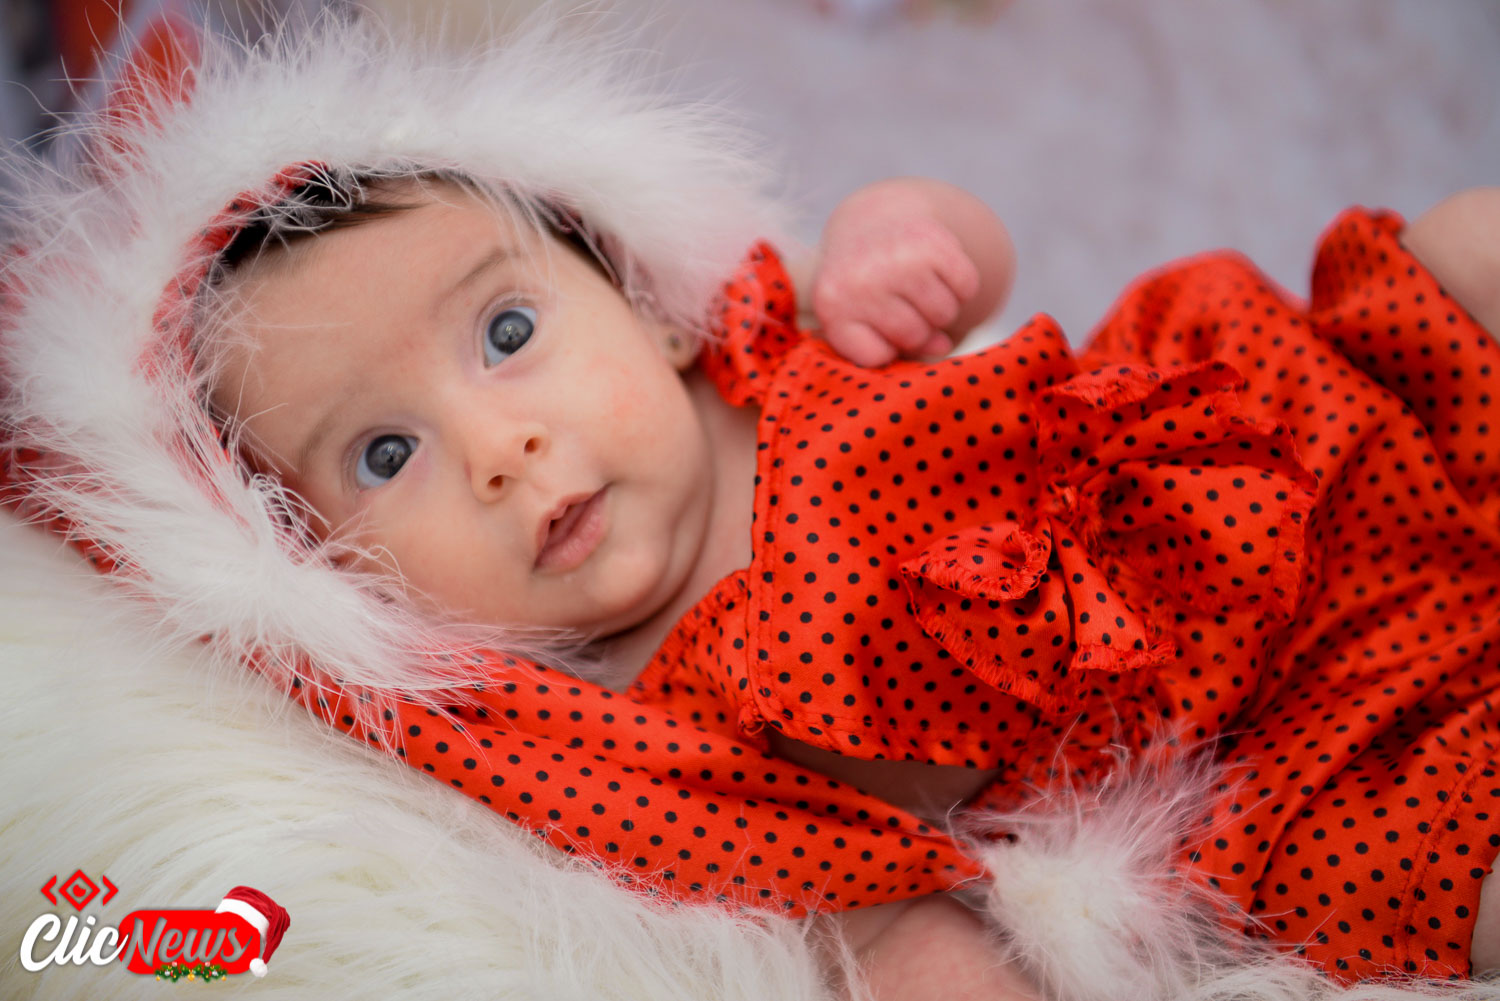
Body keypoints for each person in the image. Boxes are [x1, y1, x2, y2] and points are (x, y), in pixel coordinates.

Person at [4, 16, 1499, 999]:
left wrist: (910, 240)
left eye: (507, 333)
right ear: (334, 574)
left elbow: (965, 266)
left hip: (1282, 439)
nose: (500, 448)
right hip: (1272, 770)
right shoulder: (615, 726)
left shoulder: (774, 340)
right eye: (385, 456)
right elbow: (867, 913)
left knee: (1457, 252)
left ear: (648, 307)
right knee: (1440, 891)